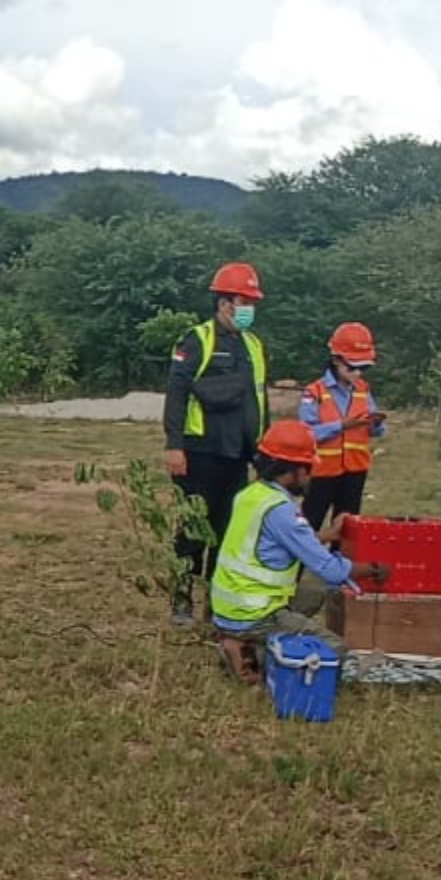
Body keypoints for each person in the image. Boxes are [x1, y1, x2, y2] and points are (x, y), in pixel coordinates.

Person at [210, 419, 392, 675]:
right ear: (291, 470)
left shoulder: (251, 495)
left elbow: (277, 543)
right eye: (307, 470)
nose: (311, 477)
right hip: (252, 613)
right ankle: (252, 654)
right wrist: (374, 569)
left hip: (228, 606)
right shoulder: (282, 511)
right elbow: (330, 569)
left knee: (313, 594)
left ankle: (240, 640)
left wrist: (328, 534)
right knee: (334, 649)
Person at [163, 261, 270, 627]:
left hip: (238, 456)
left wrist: (263, 453)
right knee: (194, 530)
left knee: (227, 534)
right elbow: (176, 394)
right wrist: (174, 445)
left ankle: (215, 601)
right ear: (225, 303)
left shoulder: (253, 346)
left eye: (251, 302)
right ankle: (180, 601)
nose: (248, 310)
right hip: (200, 453)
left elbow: (259, 400)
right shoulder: (198, 339)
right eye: (244, 301)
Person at [298, 322, 385, 530]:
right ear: (336, 360)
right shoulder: (315, 392)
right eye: (353, 367)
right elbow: (307, 433)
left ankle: (342, 562)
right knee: (309, 524)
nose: (358, 373)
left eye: (364, 368)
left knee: (348, 529)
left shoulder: (364, 390)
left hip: (355, 470)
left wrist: (376, 424)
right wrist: (341, 425)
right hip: (322, 472)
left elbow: (376, 431)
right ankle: (298, 563)